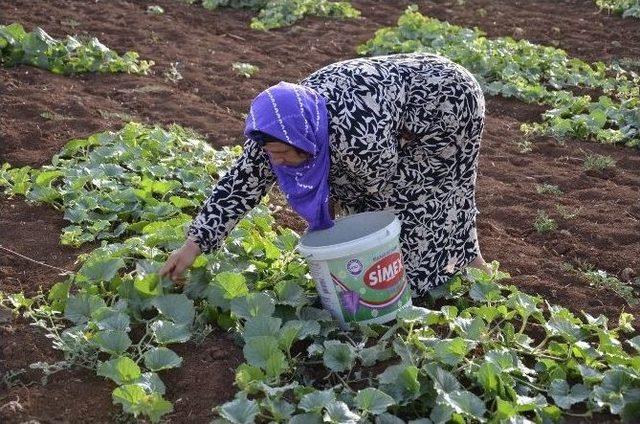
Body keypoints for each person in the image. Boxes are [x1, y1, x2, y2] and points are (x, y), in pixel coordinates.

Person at [160, 52, 490, 297]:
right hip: (396, 104)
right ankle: (475, 268)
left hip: (446, 103)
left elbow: (380, 187)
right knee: (371, 202)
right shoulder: (278, 129)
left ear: (306, 139)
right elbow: (237, 188)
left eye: (287, 153)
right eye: (273, 153)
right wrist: (192, 246)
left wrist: (338, 213)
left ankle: (430, 286)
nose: (281, 161)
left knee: (426, 198)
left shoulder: (355, 137)